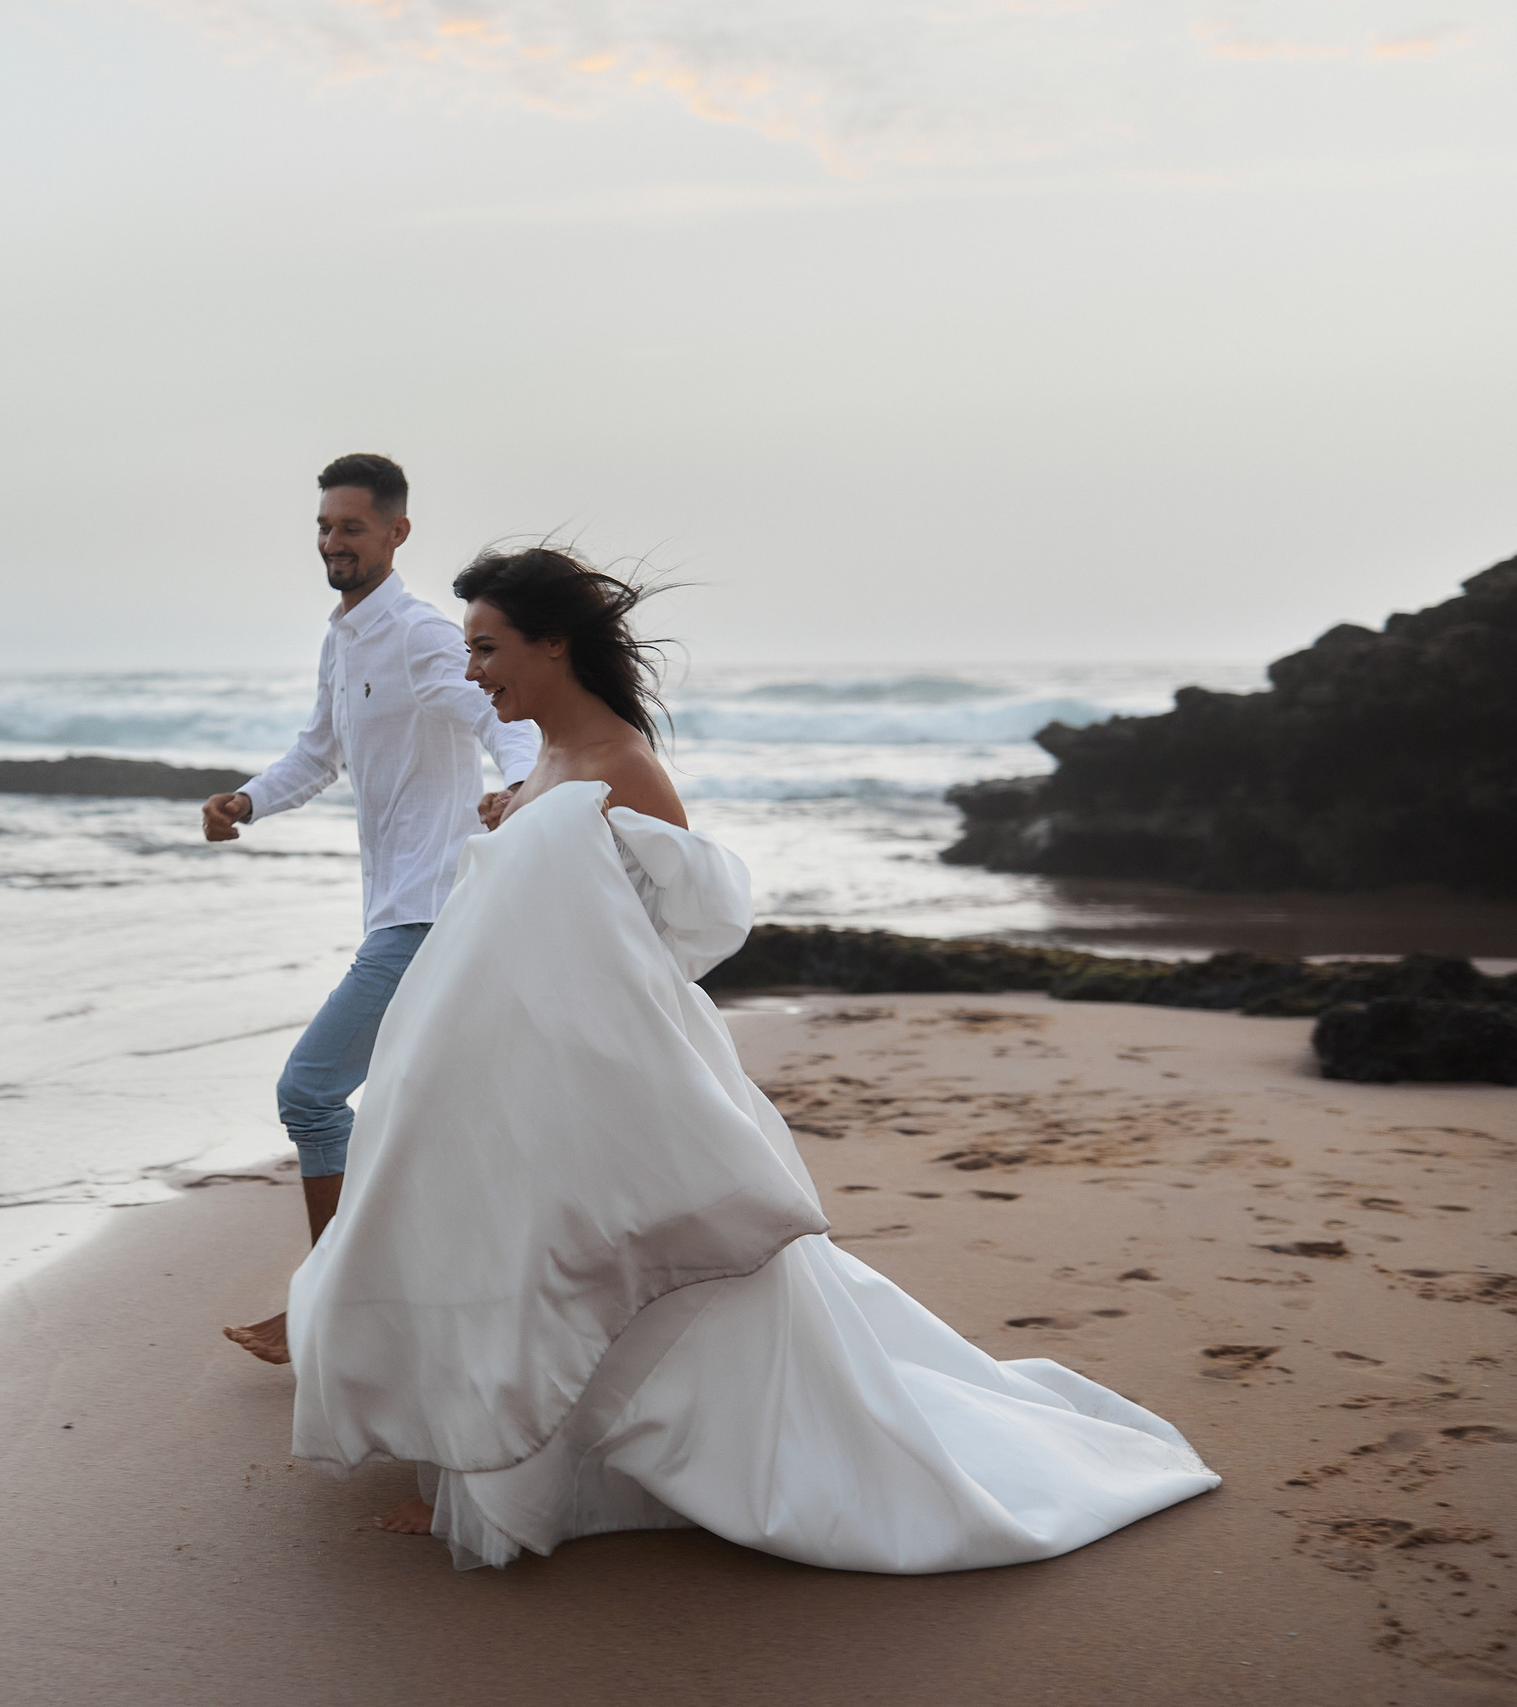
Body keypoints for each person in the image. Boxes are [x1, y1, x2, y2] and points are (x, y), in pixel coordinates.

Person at [284, 545, 1221, 1570]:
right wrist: (521, 824)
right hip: (525, 1064)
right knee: (522, 1250)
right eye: (468, 650)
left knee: (586, 1255)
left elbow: (678, 928)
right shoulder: (541, 763)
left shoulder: (624, 767)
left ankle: (545, 1475)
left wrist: (547, 867)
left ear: (552, 644)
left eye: (487, 648)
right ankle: (515, 1456)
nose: (472, 672)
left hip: (602, 1064)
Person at [206, 455, 538, 1365]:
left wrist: (520, 790)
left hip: (429, 910)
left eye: (350, 526)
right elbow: (318, 753)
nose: (332, 541)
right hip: (397, 910)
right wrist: (247, 800)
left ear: (396, 532)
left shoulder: (422, 634)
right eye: (324, 526)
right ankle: (414, 1304)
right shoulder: (344, 638)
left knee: (310, 1094)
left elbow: (502, 717)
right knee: (415, 1118)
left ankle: (333, 1310)